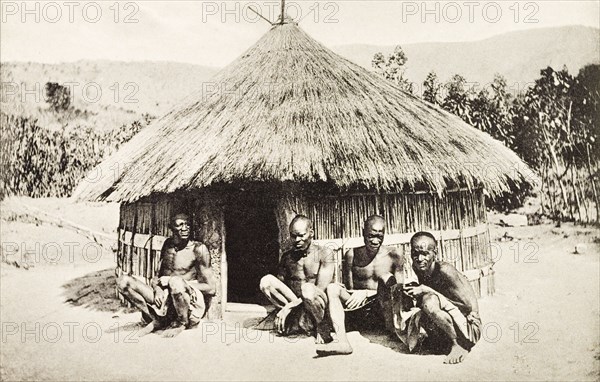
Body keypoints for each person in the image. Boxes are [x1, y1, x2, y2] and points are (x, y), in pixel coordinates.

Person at [316, 215, 404, 356]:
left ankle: (394, 329)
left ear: (384, 234)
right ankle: (342, 342)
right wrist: (358, 293)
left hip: (382, 310)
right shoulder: (352, 254)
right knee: (333, 288)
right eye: (371, 236)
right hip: (358, 309)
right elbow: (350, 289)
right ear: (363, 232)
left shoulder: (395, 254)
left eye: (379, 236)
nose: (375, 241)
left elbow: (398, 290)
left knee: (386, 277)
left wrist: (366, 293)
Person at [117, 213, 217, 338]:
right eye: (180, 225)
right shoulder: (168, 245)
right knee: (123, 282)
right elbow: (157, 277)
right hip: (165, 299)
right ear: (171, 228)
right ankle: (156, 319)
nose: (185, 228)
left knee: (175, 282)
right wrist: (157, 288)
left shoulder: (198, 249)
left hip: (187, 303)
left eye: (187, 224)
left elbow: (211, 288)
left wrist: (177, 282)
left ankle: (182, 323)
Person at [402, 231, 482, 364]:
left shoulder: (445, 271)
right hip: (452, 319)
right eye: (415, 253)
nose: (420, 258)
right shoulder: (419, 267)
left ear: (435, 253)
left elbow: (468, 307)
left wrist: (426, 289)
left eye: (425, 253)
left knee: (429, 301)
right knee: (421, 300)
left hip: (470, 327)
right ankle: (441, 342)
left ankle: (458, 345)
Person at [259, 215, 336, 338]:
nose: (297, 240)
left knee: (308, 289)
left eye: (301, 235)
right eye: (293, 236)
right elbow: (281, 287)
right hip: (296, 305)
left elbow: (320, 289)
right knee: (266, 281)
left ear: (311, 233)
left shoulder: (325, 253)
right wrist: (287, 307)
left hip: (317, 306)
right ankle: (296, 319)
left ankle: (321, 325)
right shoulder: (287, 257)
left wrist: (289, 306)